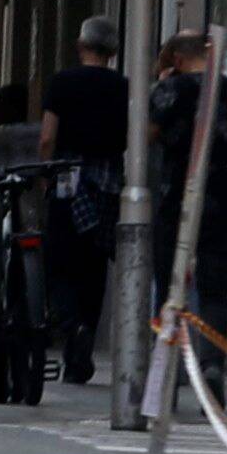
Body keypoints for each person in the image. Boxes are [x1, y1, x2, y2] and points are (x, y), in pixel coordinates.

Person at [146, 32, 227, 356]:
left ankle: (167, 366)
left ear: (177, 60)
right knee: (215, 291)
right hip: (224, 203)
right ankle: (211, 364)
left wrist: (160, 86)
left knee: (168, 286)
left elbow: (142, 138)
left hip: (175, 200)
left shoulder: (168, 92)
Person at [35, 22, 134, 386]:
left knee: (58, 263)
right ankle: (83, 345)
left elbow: (47, 137)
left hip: (68, 179)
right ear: (113, 52)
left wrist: (45, 174)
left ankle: (71, 324)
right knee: (94, 266)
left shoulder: (63, 83)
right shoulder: (123, 86)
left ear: (80, 45)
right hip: (107, 182)